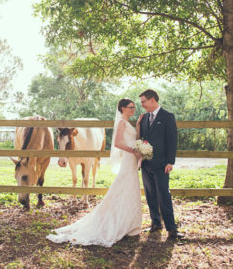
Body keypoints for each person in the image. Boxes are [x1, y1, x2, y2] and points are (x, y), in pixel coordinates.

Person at [46, 99, 143, 247]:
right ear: (122, 108)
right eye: (130, 107)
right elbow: (117, 144)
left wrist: (138, 130)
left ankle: (129, 221)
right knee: (123, 187)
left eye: (134, 107)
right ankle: (120, 220)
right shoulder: (121, 123)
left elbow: (133, 138)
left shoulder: (127, 123)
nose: (133, 109)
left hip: (131, 159)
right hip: (129, 157)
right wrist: (134, 150)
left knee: (129, 188)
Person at [137, 89, 184, 239]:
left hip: (162, 164)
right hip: (146, 164)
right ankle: (156, 223)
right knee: (150, 195)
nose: (142, 105)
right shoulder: (144, 118)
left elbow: (172, 140)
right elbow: (143, 138)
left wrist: (170, 161)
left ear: (152, 100)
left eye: (143, 102)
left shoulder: (167, 117)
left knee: (164, 195)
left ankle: (172, 229)